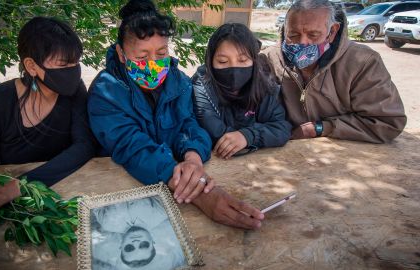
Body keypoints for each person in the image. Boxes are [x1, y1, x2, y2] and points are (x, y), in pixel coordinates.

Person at [88, 0, 264, 229]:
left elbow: (189, 125)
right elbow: (131, 145)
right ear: (121, 53)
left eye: (161, 53)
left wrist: (193, 157)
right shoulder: (105, 91)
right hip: (125, 192)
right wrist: (199, 193)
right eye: (142, 57)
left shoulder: (179, 81)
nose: (153, 64)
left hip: (176, 179)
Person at [0, 17, 96, 217]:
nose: (73, 71)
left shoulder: (75, 91)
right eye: (63, 64)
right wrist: (11, 190)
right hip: (17, 207)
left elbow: (85, 146)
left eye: (75, 62)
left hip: (68, 195)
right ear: (32, 66)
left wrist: (21, 185)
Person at [263, 0, 407, 143]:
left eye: (313, 35)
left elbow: (387, 123)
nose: (302, 43)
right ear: (285, 29)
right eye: (293, 35)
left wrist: (322, 128)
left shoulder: (363, 62)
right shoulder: (268, 59)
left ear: (332, 32)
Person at [192, 23, 291, 159]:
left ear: (254, 61)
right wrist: (260, 135)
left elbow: (282, 128)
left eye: (243, 60)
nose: (234, 69)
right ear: (210, 61)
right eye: (222, 61)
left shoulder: (263, 84)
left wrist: (248, 136)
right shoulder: (201, 86)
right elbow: (217, 134)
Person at [91, 197, 185, 269]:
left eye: (129, 248)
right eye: (143, 245)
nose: (136, 242)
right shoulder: (161, 213)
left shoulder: (107, 224)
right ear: (153, 242)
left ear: (121, 246)